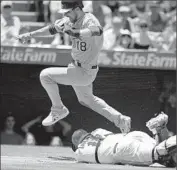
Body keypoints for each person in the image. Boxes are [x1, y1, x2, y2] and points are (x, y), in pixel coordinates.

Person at [17, 0, 131, 133]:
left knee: (46, 76)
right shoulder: (69, 18)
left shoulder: (90, 20)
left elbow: (98, 30)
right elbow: (51, 29)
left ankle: (58, 109)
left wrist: (73, 32)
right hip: (76, 67)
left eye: (68, 11)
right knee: (87, 99)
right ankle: (121, 120)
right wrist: (30, 35)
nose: (65, 14)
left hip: (85, 70)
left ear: (77, 8)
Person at [71, 112, 176, 167]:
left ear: (77, 144)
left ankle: (162, 132)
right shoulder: (98, 131)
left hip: (122, 149)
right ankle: (157, 129)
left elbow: (78, 151)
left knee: (158, 153)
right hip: (132, 135)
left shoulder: (79, 152)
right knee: (166, 157)